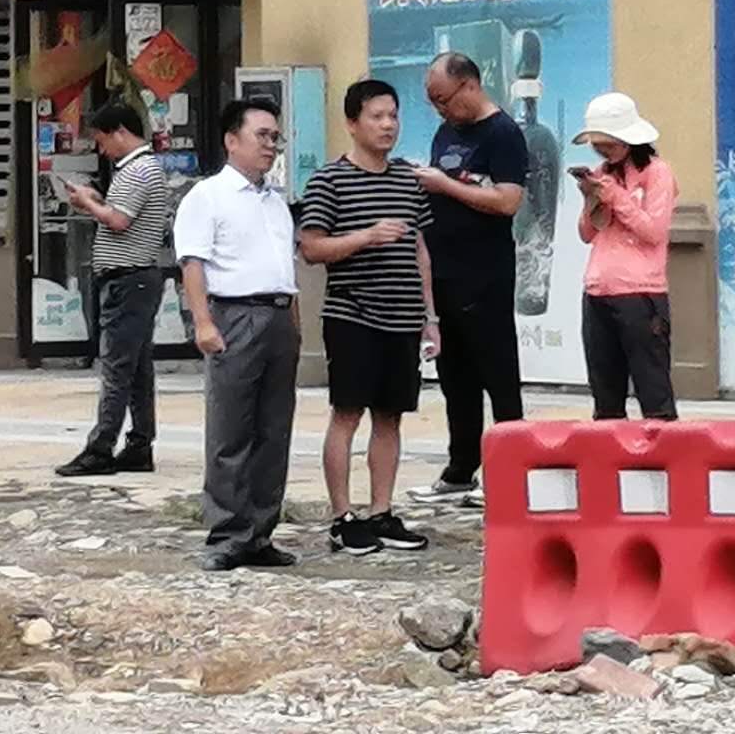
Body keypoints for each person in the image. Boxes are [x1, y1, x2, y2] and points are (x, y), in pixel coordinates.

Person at [299, 79, 440, 556]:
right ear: (352, 123)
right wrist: (366, 236)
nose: (387, 125)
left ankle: (382, 511)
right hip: (352, 316)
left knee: (390, 417)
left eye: (393, 116)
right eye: (376, 116)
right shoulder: (329, 180)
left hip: (403, 318)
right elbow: (312, 248)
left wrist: (430, 317)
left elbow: (420, 250)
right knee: (347, 414)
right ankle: (342, 518)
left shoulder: (408, 179)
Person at [173, 98, 300, 570]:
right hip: (234, 315)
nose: (270, 145)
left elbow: (285, 268)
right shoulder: (207, 196)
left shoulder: (275, 202)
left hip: (278, 316)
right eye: (261, 135)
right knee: (231, 429)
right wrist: (203, 322)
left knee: (274, 430)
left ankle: (260, 532)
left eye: (275, 137)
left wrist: (295, 325)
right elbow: (192, 262)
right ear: (232, 140)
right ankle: (228, 532)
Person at [408, 52, 528, 504]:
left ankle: (511, 471)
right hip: (443, 269)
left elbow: (508, 200)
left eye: (444, 99)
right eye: (433, 102)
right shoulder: (446, 133)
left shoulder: (503, 134)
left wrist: (446, 185)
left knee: (497, 370)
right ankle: (461, 469)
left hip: (486, 273)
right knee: (455, 375)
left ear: (470, 86)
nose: (440, 109)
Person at [56, 103, 170, 478]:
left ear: (121, 132)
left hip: (129, 278)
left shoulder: (138, 170)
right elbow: (123, 214)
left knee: (117, 367)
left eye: (103, 141)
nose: (102, 150)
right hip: (135, 278)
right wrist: (98, 201)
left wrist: (89, 203)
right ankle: (139, 443)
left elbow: (119, 221)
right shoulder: (140, 168)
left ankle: (101, 447)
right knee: (136, 369)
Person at [571, 93, 680, 421]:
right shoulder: (602, 173)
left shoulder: (657, 173)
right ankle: (609, 450)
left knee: (653, 392)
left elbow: (654, 230)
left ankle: (662, 450)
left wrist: (617, 197)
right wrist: (591, 199)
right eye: (597, 145)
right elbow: (587, 234)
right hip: (597, 291)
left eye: (608, 143)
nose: (602, 151)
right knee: (605, 397)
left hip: (640, 294)